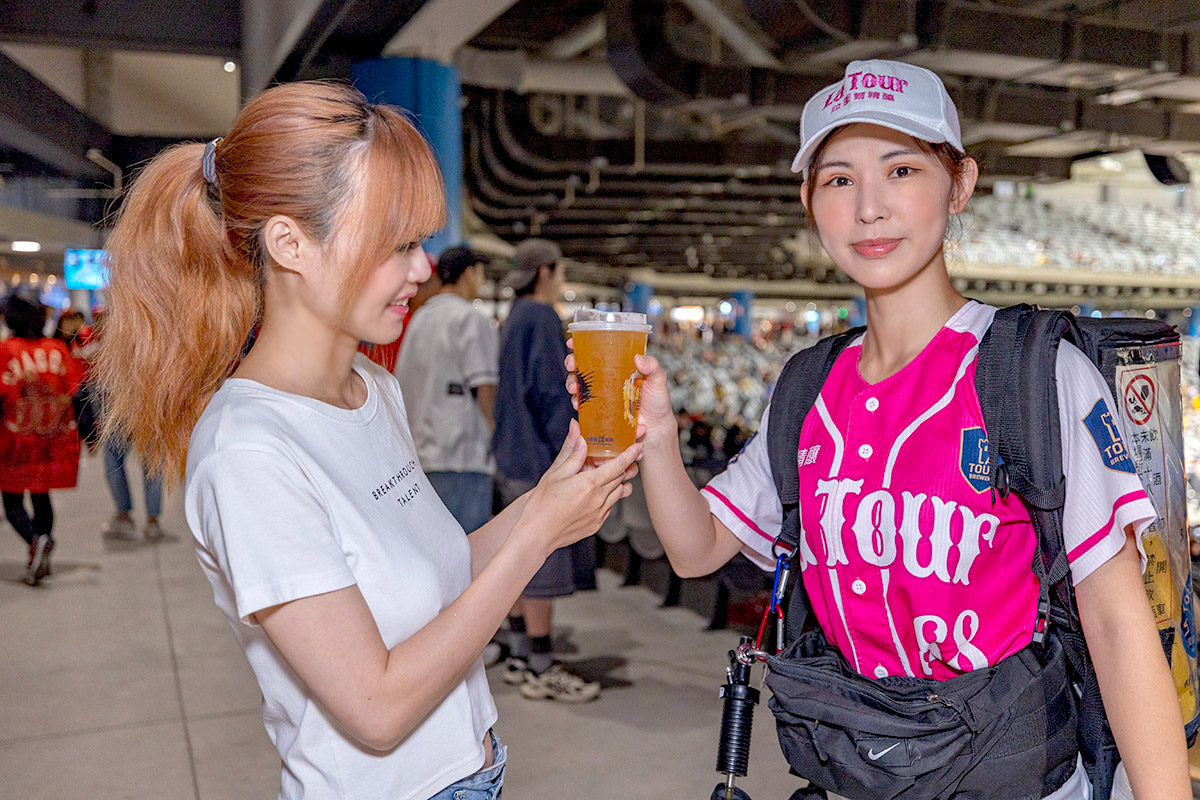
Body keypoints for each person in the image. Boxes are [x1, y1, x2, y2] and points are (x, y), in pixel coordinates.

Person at [569, 60, 1190, 799]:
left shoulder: (1033, 372)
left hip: (1011, 775)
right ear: (808, 200)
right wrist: (661, 436)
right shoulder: (806, 386)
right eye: (838, 180)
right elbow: (696, 548)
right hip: (859, 769)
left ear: (958, 184)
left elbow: (1120, 627)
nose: (869, 209)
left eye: (901, 169)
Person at [92, 81, 639, 800]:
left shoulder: (369, 388)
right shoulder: (249, 453)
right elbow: (375, 708)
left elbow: (437, 570)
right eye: (398, 243)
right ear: (289, 242)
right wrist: (538, 534)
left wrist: (552, 494)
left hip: (475, 772)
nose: (421, 269)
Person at [493, 238, 602, 703]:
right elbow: (552, 394)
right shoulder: (540, 318)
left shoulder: (512, 317)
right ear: (544, 273)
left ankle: (519, 652)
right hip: (539, 458)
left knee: (515, 558)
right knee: (541, 560)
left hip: (509, 452)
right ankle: (542, 664)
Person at [394, 245, 497, 534]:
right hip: (462, 455)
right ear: (468, 274)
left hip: (421, 455)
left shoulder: (419, 319)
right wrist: (495, 432)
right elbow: (485, 386)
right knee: (469, 548)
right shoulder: (470, 318)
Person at [0, 292, 83, 586]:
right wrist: (88, 430)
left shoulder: (6, 350)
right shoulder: (56, 349)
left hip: (14, 441)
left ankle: (37, 542)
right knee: (40, 494)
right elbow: (76, 392)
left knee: (11, 502)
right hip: (52, 439)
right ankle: (41, 544)